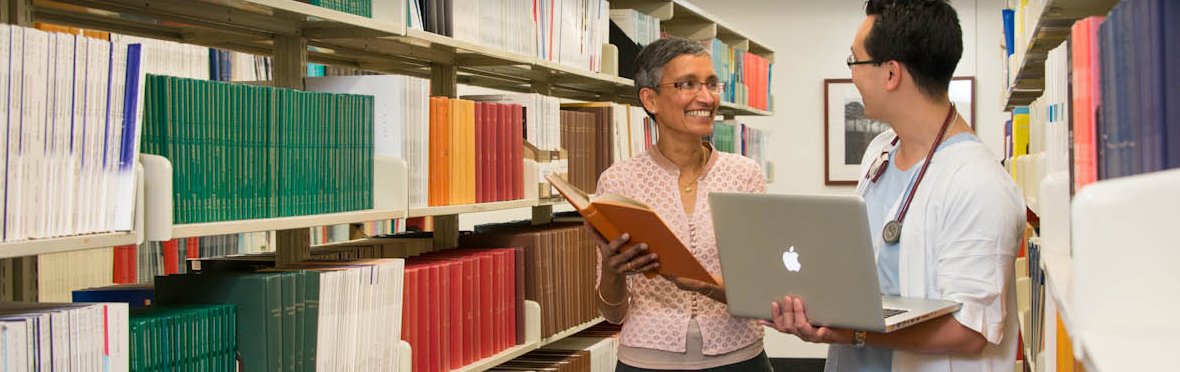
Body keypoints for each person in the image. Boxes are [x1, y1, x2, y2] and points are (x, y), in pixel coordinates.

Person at [761, 1, 1025, 371]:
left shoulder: (979, 185)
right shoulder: (880, 151)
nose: (852, 74)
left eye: (854, 61)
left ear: (890, 73)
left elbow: (970, 331)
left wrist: (853, 333)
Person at [586, 37, 773, 372]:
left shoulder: (745, 175)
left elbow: (760, 292)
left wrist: (701, 282)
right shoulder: (618, 182)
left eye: (712, 84)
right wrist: (612, 268)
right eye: (687, 84)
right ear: (650, 99)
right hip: (645, 363)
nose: (706, 97)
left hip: (740, 360)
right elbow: (612, 314)